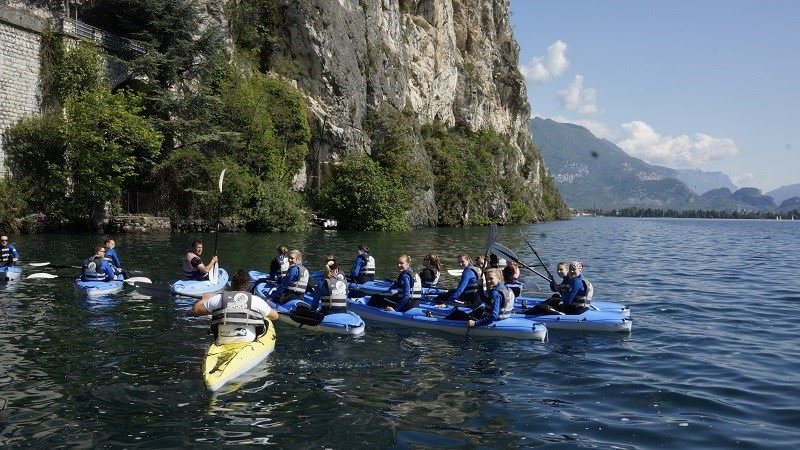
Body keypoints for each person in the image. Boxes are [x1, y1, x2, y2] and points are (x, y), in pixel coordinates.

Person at [192, 269, 279, 344]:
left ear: (232, 284)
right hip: (248, 343)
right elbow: (275, 316)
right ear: (248, 285)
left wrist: (204, 299)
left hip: (222, 341)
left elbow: (196, 311)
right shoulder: (256, 301)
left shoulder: (218, 299)